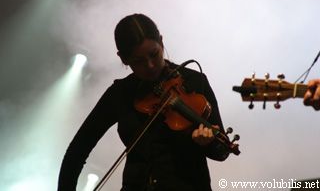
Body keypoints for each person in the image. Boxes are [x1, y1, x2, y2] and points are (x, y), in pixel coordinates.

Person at [57, 13, 231, 191]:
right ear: (123, 59)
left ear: (161, 43)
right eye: (139, 61)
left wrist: (208, 143)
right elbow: (77, 151)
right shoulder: (120, 93)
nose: (150, 66)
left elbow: (222, 151)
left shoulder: (194, 81)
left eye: (154, 55)